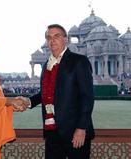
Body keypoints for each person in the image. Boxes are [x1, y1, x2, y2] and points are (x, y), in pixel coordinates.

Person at [29, 24, 95, 159]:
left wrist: (81, 128)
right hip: (52, 131)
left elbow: (87, 97)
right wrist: (28, 101)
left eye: (56, 36)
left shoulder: (78, 61)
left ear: (66, 39)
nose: (52, 40)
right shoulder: (46, 65)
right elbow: (46, 93)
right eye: (49, 37)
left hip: (74, 132)